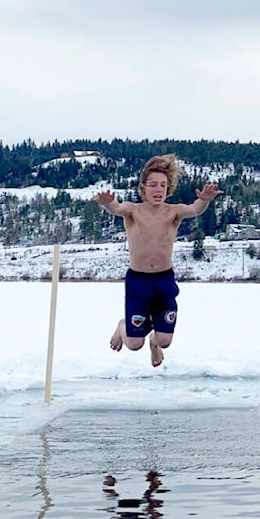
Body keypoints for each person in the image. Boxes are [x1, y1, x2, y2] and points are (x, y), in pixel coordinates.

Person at [94, 154, 222, 368]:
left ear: (168, 188)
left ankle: (155, 342)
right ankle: (122, 325)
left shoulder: (173, 212)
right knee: (134, 344)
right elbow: (116, 208)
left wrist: (205, 200)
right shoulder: (133, 210)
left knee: (165, 340)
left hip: (164, 280)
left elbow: (194, 209)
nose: (158, 189)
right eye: (153, 185)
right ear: (143, 188)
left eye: (162, 185)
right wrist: (108, 203)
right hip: (138, 281)